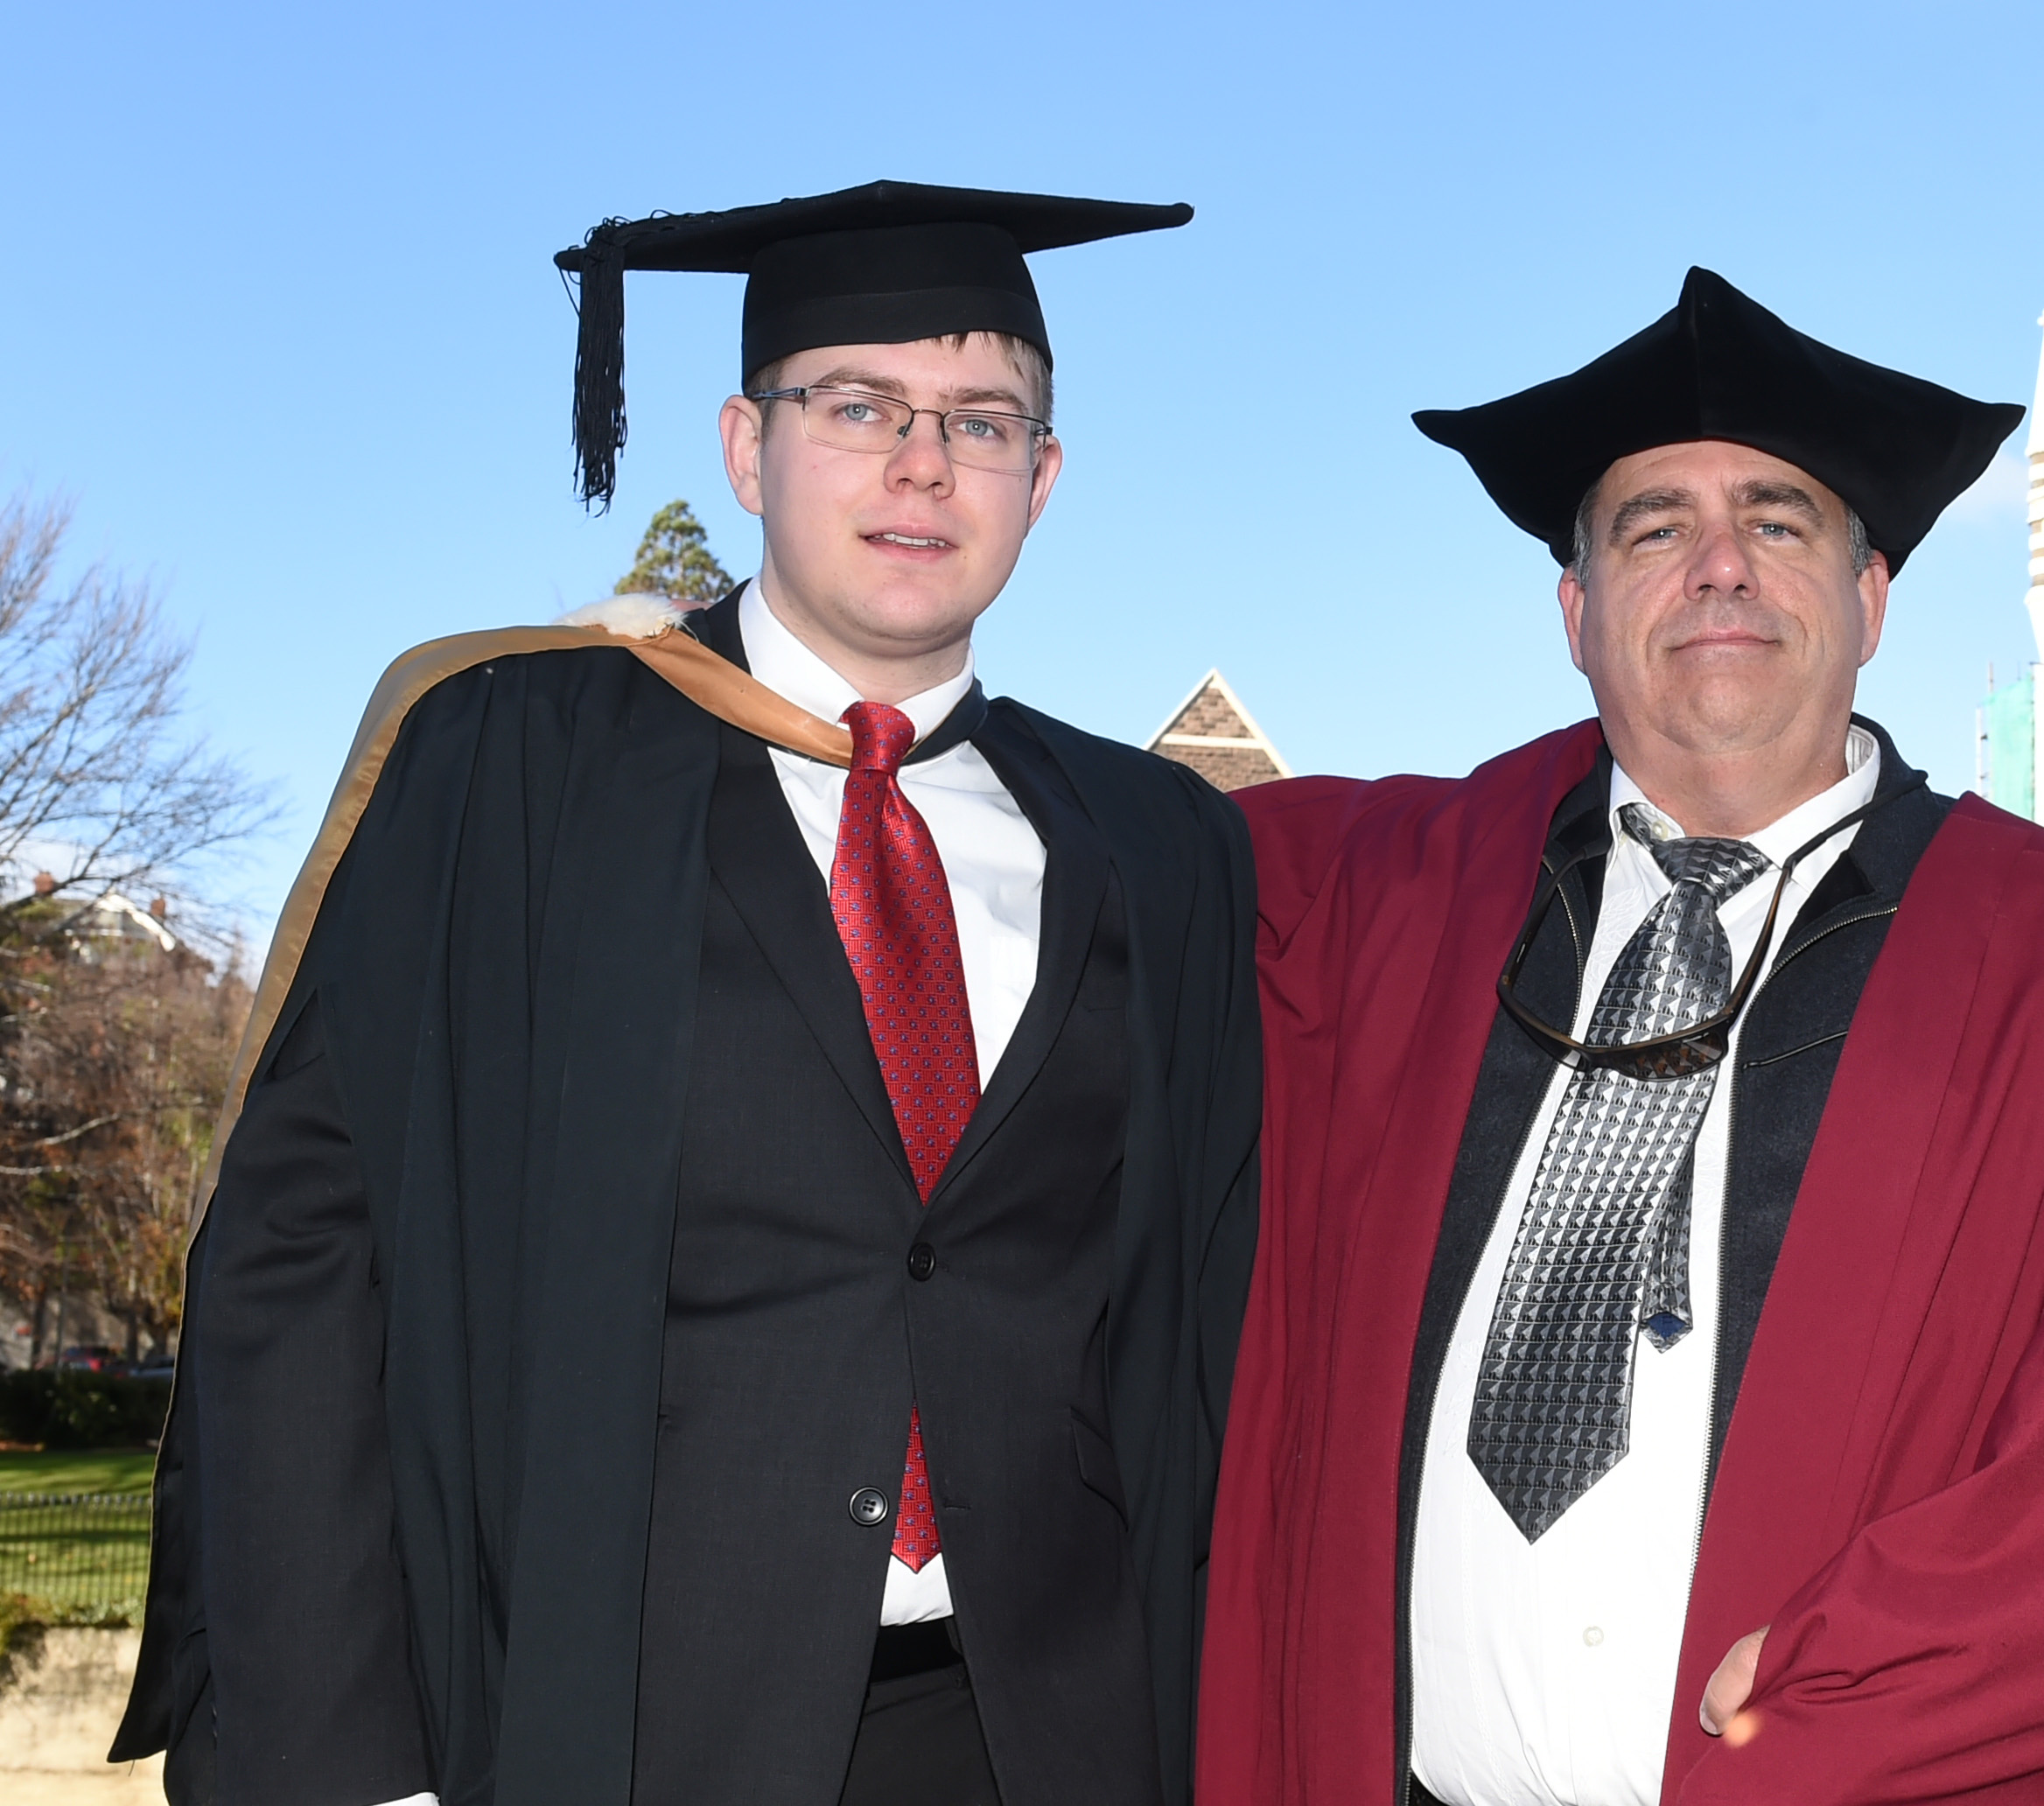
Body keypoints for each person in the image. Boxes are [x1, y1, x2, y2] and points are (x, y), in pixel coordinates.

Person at [115, 181, 1260, 1806]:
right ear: (744, 447)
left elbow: (1211, 1312)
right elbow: (306, 1255)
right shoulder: (513, 761)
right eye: (857, 406)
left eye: (983, 421)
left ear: (1045, 478)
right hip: (610, 1717)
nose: (922, 463)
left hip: (1040, 1737)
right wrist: (346, 1761)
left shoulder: (1161, 845)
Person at [1200, 268, 2044, 1805]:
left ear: (1870, 601)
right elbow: (996, 848)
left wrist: (1874, 1674)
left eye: (1781, 522)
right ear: (1578, 612)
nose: (1720, 567)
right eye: (1655, 527)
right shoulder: (1357, 901)